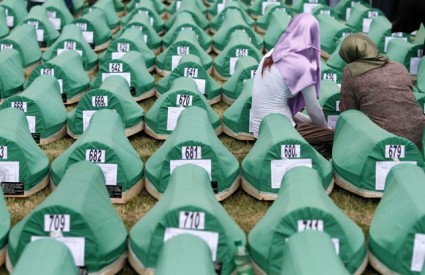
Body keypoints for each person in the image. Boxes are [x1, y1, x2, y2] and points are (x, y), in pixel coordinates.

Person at [250, 13, 333, 144]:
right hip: (279, 129)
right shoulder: (302, 64)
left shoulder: (274, 52)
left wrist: (313, 122)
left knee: (312, 122)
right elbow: (314, 111)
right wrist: (327, 129)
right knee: (333, 135)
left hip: (258, 126)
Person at [338, 33, 425, 149]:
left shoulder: (351, 72)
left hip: (383, 139)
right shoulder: (398, 66)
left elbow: (348, 111)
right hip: (418, 132)